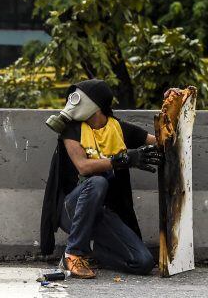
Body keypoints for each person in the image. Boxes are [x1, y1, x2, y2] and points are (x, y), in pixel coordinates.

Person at [40, 79, 162, 279]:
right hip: (72, 207)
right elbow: (83, 166)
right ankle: (74, 253)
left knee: (143, 262)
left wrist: (174, 121)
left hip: (102, 213)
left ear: (97, 105)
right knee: (97, 181)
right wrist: (123, 159)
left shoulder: (118, 129)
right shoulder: (72, 130)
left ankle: (96, 255)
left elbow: (159, 141)